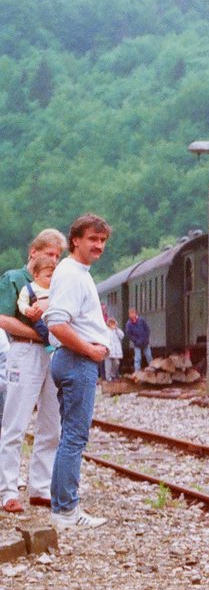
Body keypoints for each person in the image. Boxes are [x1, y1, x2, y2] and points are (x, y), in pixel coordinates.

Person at [45, 213, 112, 529]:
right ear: (76, 240)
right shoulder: (71, 274)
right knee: (74, 437)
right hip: (76, 361)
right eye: (92, 239)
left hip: (75, 361)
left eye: (102, 240)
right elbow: (56, 323)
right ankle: (66, 511)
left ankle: (63, 508)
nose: (98, 245)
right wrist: (90, 349)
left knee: (70, 436)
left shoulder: (78, 272)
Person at [0, 229, 66, 514]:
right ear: (33, 252)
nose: (53, 259)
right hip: (25, 351)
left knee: (51, 423)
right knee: (15, 422)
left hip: (53, 354)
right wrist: (38, 335)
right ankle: (8, 490)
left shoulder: (58, 284)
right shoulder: (14, 279)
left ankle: (40, 486)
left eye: (57, 255)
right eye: (49, 254)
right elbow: (3, 318)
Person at [16, 254, 56, 352]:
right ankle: (48, 344)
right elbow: (21, 302)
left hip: (55, 317)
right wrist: (27, 309)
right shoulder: (29, 288)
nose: (52, 279)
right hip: (40, 319)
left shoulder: (55, 288)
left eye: (54, 276)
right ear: (36, 275)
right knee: (42, 328)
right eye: (48, 276)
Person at [104, 317, 124, 381]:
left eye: (113, 322)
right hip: (108, 350)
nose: (112, 324)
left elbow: (122, 336)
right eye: (111, 322)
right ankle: (108, 378)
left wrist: (116, 328)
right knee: (108, 366)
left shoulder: (117, 330)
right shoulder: (106, 330)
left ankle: (113, 375)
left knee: (117, 363)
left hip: (116, 351)